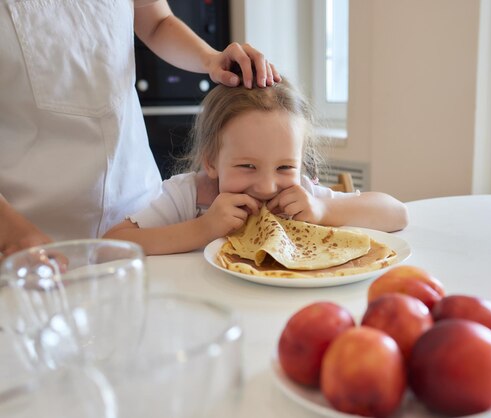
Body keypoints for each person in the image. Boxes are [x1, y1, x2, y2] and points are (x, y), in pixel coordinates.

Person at [0, 0, 280, 260]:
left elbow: (156, 22)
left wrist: (210, 59)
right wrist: (12, 231)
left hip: (137, 207)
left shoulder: (170, 204)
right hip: (29, 223)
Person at [103, 76, 409, 255]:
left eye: (285, 168)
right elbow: (110, 247)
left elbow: (396, 213)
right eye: (248, 166)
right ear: (211, 161)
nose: (266, 187)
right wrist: (203, 228)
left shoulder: (302, 197)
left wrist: (324, 211)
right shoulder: (188, 196)